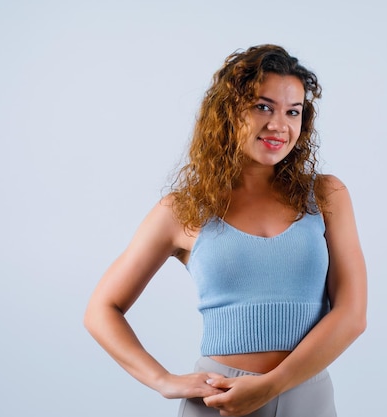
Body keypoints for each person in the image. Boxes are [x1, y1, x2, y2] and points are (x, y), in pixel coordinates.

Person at [84, 44, 367, 417]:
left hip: (307, 395)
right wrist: (162, 380)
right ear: (228, 111)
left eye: (292, 111)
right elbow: (102, 309)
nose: (279, 125)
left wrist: (271, 385)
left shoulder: (327, 195)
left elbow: (353, 314)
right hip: (219, 401)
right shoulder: (184, 209)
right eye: (262, 106)